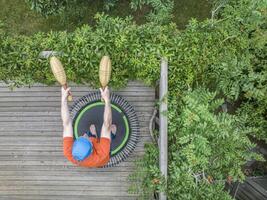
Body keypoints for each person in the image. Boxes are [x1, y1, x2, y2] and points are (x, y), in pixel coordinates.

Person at [61, 86, 116, 167]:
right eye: (87, 139)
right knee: (111, 128)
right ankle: (112, 135)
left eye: (82, 137)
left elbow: (66, 124)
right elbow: (107, 124)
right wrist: (107, 100)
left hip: (91, 152)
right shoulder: (102, 154)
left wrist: (63, 99)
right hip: (103, 158)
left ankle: (93, 135)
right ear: (91, 150)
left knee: (91, 130)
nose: (84, 135)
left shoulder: (68, 152)